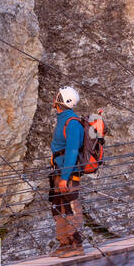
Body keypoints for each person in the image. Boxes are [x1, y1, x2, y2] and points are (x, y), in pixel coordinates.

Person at [49, 86, 86, 257]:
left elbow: (71, 151)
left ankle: (76, 245)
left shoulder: (72, 123)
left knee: (70, 207)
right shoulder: (63, 119)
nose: (54, 97)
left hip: (67, 173)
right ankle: (64, 243)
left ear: (61, 100)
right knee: (58, 207)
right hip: (59, 170)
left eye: (58, 95)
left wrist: (64, 178)